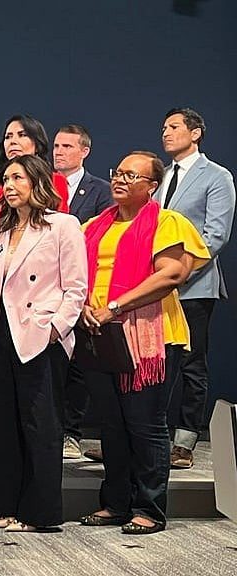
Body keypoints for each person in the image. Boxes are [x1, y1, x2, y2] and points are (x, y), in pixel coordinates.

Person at [79, 151, 209, 535]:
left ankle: (149, 508)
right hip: (100, 332)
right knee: (112, 425)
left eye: (131, 175)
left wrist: (115, 305)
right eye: (117, 172)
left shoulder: (168, 222)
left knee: (146, 424)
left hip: (150, 336)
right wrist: (86, 306)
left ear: (151, 186)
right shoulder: (93, 225)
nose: (120, 179)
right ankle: (115, 503)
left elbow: (170, 275)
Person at [0, 155, 87, 532]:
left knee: (40, 425)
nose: (8, 185)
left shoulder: (63, 226)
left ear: (37, 182)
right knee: (0, 425)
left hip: (39, 337)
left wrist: (57, 329)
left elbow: (76, 287)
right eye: (5, 179)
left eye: (17, 177)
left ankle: (38, 513)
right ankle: (4, 506)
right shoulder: (0, 233)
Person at [0, 114, 69, 475]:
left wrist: (55, 326)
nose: (13, 141)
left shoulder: (53, 188)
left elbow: (57, 254)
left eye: (22, 135)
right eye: (8, 135)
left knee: (34, 407)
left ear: (38, 143)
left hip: (34, 308)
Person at [154, 108, 235, 469]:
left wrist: (178, 272)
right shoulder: (160, 176)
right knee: (155, 362)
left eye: (173, 127)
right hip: (156, 287)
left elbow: (215, 234)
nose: (166, 133)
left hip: (194, 286)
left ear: (196, 132)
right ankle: (149, 435)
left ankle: (185, 441)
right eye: (164, 128)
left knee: (191, 364)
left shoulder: (216, 176)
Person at [52, 123, 113, 460]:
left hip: (82, 288)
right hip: (45, 290)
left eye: (66, 146)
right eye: (56, 146)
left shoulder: (100, 191)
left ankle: (71, 433)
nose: (58, 152)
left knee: (78, 368)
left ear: (84, 151)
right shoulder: (43, 185)